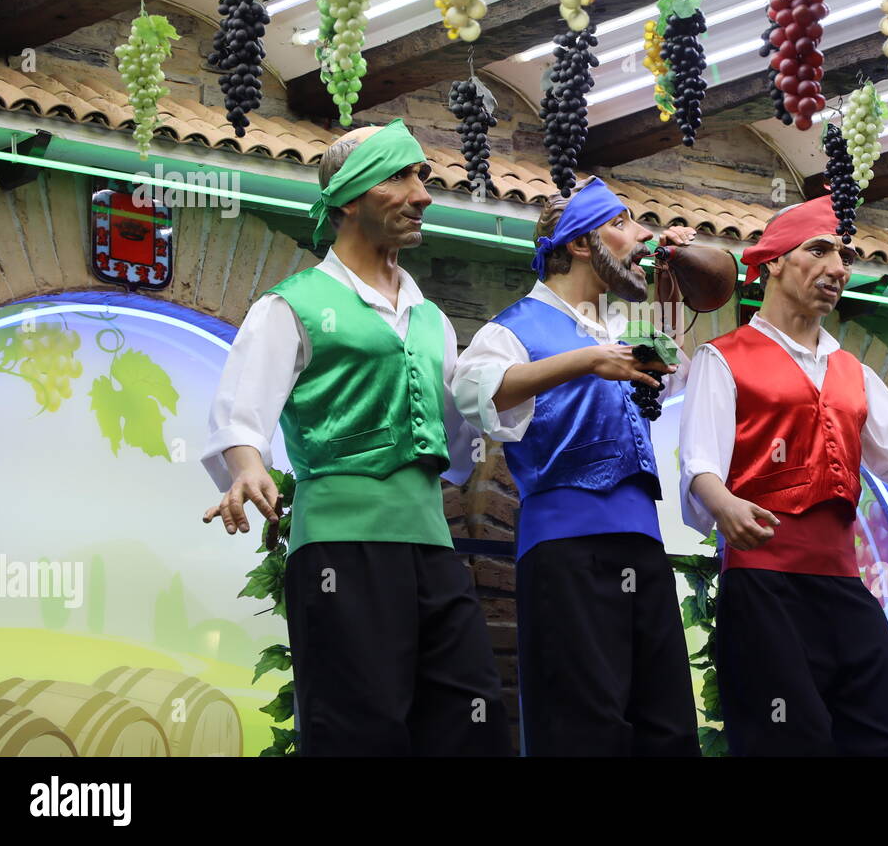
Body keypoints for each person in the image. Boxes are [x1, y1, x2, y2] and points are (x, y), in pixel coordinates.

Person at [200, 118, 510, 756]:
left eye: (423, 176)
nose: (423, 193)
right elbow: (240, 413)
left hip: (430, 549)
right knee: (355, 729)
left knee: (470, 722)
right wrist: (247, 466)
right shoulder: (294, 305)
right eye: (401, 176)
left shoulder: (431, 320)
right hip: (342, 550)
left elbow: (453, 439)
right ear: (348, 197)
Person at [679, 197, 888, 756]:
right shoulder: (725, 357)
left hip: (843, 585)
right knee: (784, 741)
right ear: (774, 264)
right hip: (765, 585)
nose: (839, 268)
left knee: (883, 739)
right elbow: (701, 463)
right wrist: (725, 505)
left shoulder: (850, 370)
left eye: (846, 256)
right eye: (820, 250)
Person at [451, 176, 700, 756]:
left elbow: (674, 368)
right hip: (566, 550)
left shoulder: (621, 331)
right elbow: (475, 391)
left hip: (642, 545)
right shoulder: (516, 327)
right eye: (623, 223)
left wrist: (667, 279)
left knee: (665, 724)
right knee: (582, 726)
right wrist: (585, 361)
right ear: (582, 243)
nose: (641, 234)